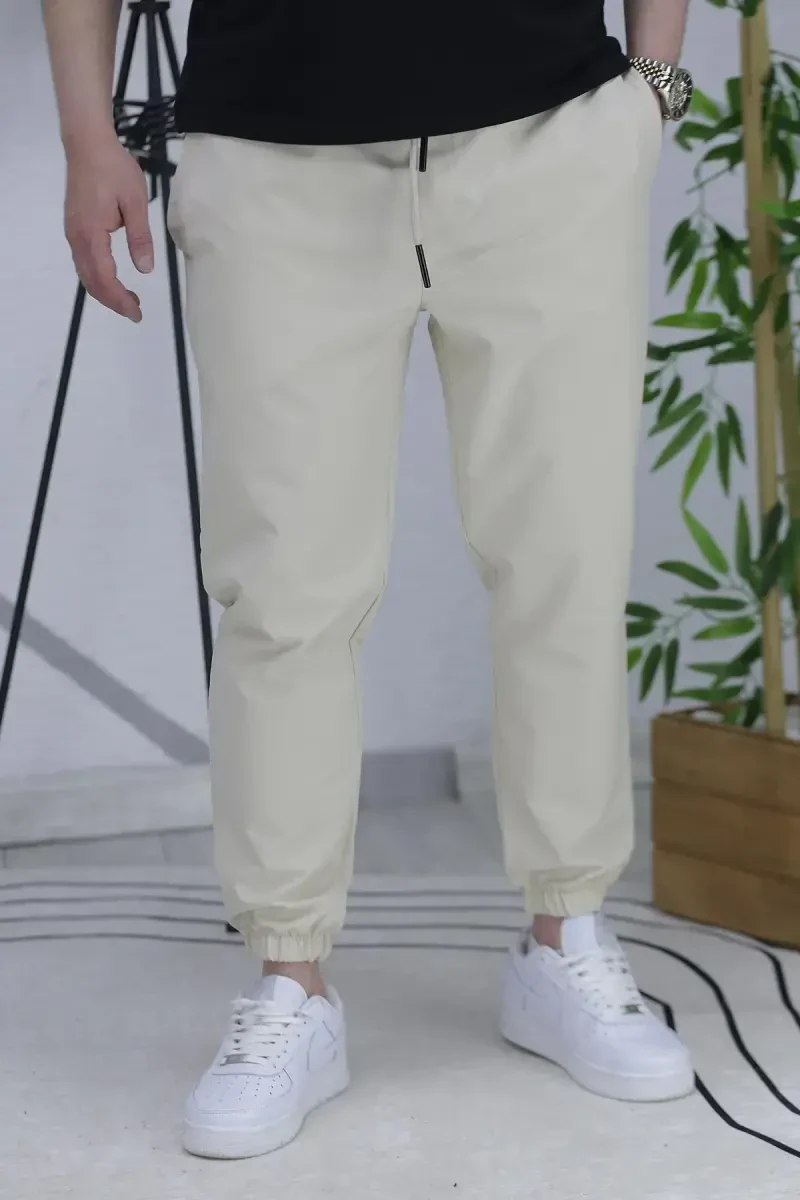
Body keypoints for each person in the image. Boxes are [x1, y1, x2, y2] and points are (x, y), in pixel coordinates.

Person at [43, 0, 696, 1161]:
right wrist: (89, 139)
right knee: (283, 592)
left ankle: (565, 937)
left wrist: (652, 87)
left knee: (563, 559)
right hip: (270, 153)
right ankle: (289, 980)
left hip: (545, 137)